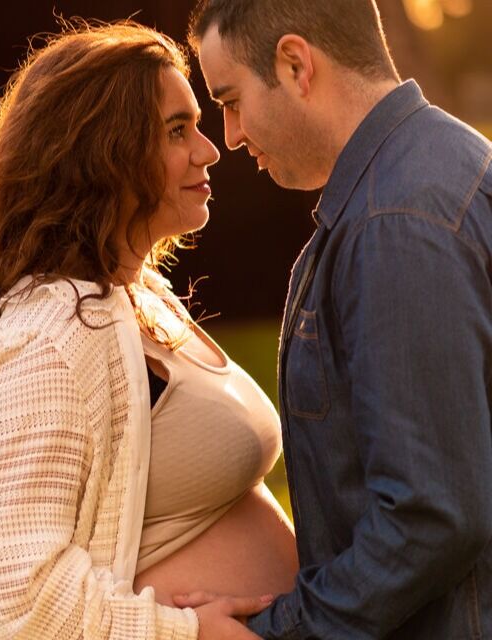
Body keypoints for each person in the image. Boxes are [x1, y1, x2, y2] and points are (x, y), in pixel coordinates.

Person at [0, 18, 300, 640]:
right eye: (178, 131)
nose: (209, 150)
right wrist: (178, 632)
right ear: (105, 153)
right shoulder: (57, 331)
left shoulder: (131, 297)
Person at [182, 1, 492, 638]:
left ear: (296, 64)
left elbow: (430, 515)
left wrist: (279, 633)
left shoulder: (396, 222)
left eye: (232, 99)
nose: (231, 135)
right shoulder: (433, 168)